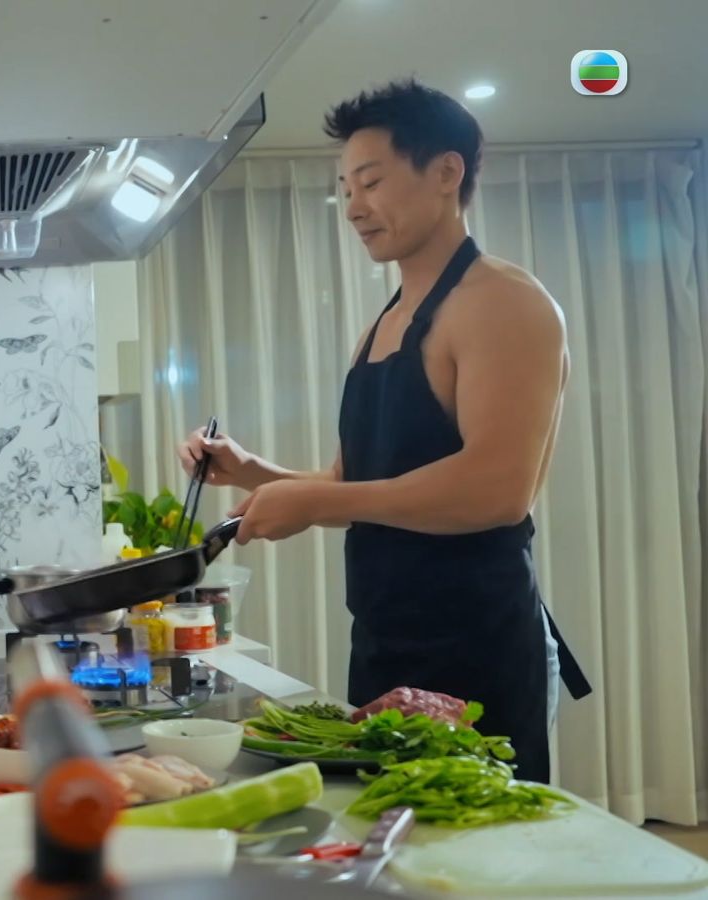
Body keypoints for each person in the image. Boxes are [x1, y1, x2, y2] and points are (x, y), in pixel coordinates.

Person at [179, 79, 590, 783]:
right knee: (388, 838)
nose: (353, 207)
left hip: (477, 644)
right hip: (383, 640)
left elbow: (497, 489)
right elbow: (358, 484)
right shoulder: (384, 323)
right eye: (346, 188)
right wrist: (251, 471)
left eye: (370, 183)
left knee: (477, 844)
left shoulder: (503, 301)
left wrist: (317, 501)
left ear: (446, 172)